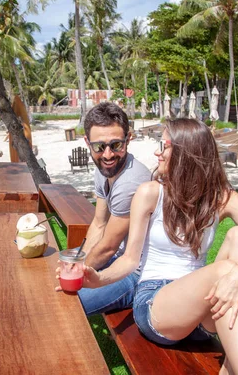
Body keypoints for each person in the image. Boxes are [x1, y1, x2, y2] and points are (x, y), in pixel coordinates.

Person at [82, 118, 238, 375]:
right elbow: (130, 260)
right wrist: (100, 278)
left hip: (201, 311)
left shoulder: (223, 198)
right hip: (156, 305)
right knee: (225, 271)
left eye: (164, 146)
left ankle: (231, 364)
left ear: (186, 153)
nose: (157, 153)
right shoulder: (150, 192)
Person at [56, 102, 152, 316]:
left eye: (116, 145)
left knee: (65, 306)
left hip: (138, 273)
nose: (108, 155)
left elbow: (108, 247)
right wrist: (78, 264)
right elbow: (99, 224)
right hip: (118, 260)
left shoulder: (130, 182)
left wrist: (75, 275)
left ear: (128, 140)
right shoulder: (104, 171)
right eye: (99, 147)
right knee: (60, 285)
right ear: (87, 143)